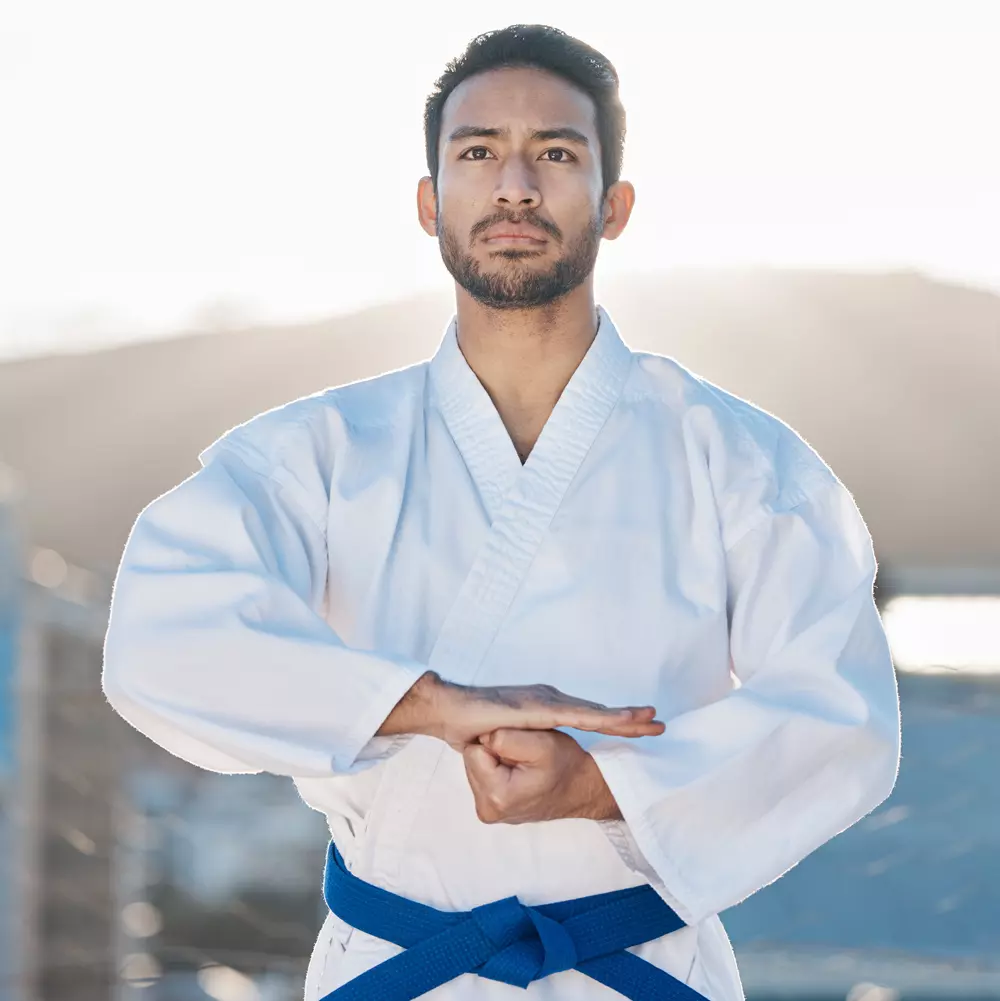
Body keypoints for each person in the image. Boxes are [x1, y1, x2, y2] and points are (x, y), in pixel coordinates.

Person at [102, 23, 901, 1001]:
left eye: (555, 154)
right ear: (431, 201)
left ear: (613, 205)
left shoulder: (741, 460)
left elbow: (841, 713)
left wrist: (599, 785)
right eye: (478, 152)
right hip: (394, 968)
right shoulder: (316, 453)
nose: (514, 186)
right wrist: (431, 706)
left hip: (637, 970)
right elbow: (160, 635)